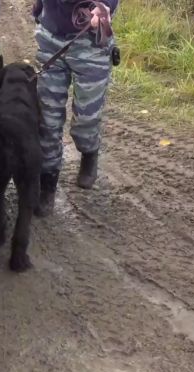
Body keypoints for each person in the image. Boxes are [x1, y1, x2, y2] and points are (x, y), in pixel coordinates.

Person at [31, 0, 118, 216]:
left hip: (90, 42)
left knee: (86, 120)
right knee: (47, 121)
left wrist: (105, 6)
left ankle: (89, 152)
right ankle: (47, 184)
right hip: (51, 37)